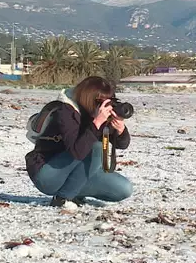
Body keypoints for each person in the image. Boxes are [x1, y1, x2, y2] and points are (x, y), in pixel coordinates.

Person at [25, 76, 133, 207]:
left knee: (124, 189)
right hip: (48, 173)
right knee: (97, 147)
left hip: (76, 175)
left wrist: (121, 129)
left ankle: (74, 192)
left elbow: (122, 145)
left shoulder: (99, 114)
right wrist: (96, 123)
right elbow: (77, 151)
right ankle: (63, 198)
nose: (105, 106)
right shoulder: (66, 111)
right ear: (89, 98)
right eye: (101, 101)